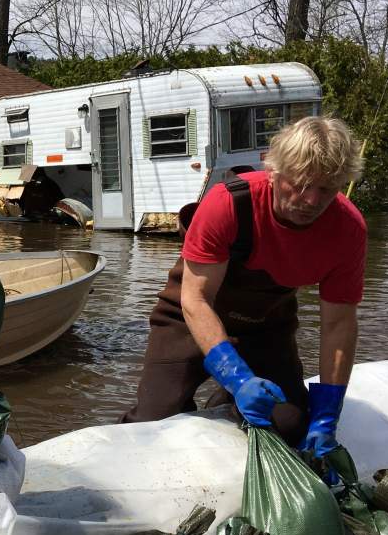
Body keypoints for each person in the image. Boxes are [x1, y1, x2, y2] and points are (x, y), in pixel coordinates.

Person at [122, 115, 366, 460]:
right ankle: (228, 392)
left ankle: (227, 403)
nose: (311, 200)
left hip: (265, 327)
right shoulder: (228, 204)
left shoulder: (348, 230)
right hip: (187, 318)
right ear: (274, 169)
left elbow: (339, 325)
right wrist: (237, 377)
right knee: (151, 421)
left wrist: (327, 415)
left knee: (291, 424)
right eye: (299, 184)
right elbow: (196, 298)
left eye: (326, 188)